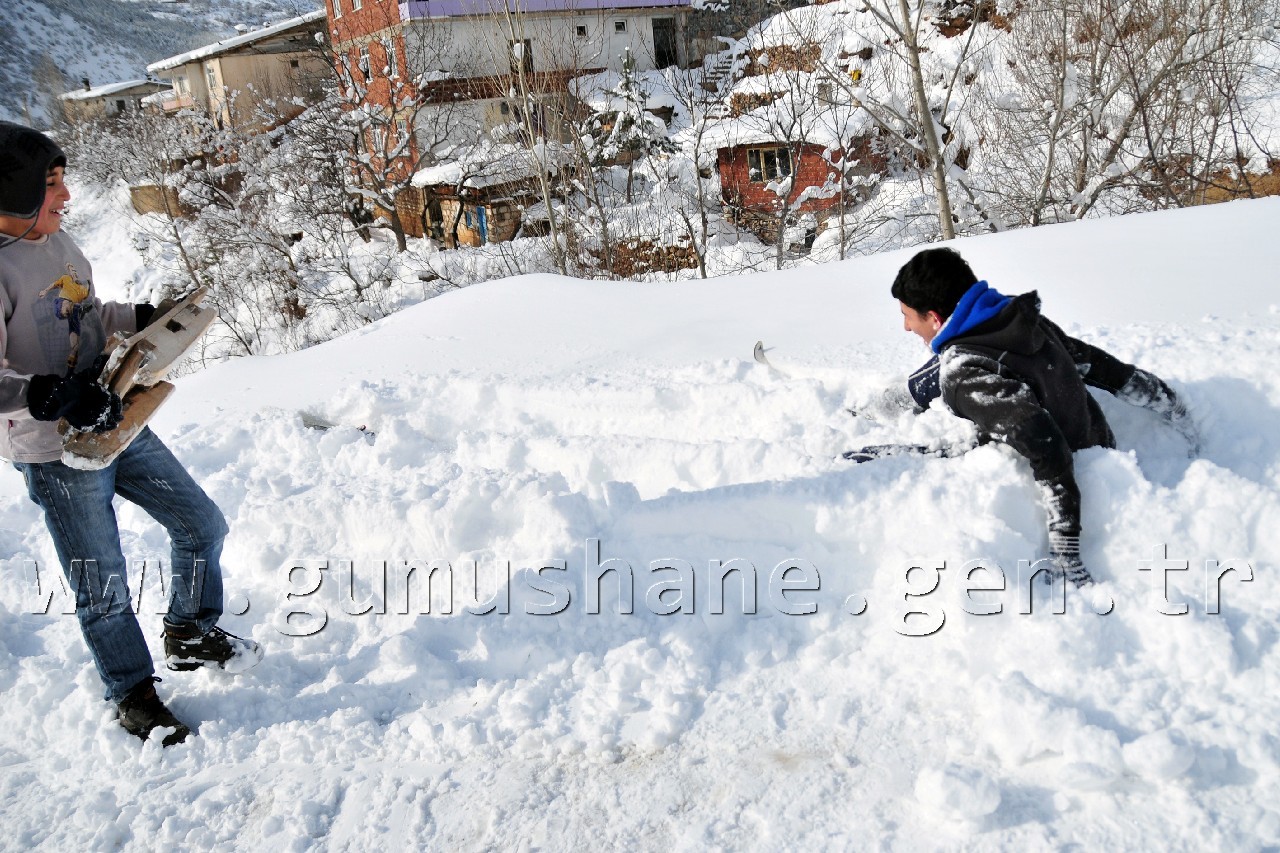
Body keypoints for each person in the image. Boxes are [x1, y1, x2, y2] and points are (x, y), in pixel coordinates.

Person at [0, 121, 262, 746]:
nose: (64, 196)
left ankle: (192, 629)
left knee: (202, 524)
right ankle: (132, 694)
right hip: (55, 451)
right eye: (50, 184)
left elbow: (86, 315)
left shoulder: (61, 242)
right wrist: (43, 393)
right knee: (103, 582)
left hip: (116, 417)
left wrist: (144, 317)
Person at [862, 246, 1196, 587]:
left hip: (1051, 463)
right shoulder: (1014, 315)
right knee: (950, 362)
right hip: (1090, 433)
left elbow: (1045, 444)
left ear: (934, 317)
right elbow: (1096, 365)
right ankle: (886, 404)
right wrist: (1173, 406)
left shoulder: (962, 375)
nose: (905, 326)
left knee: (916, 441)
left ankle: (879, 425)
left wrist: (1066, 550)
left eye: (908, 316)